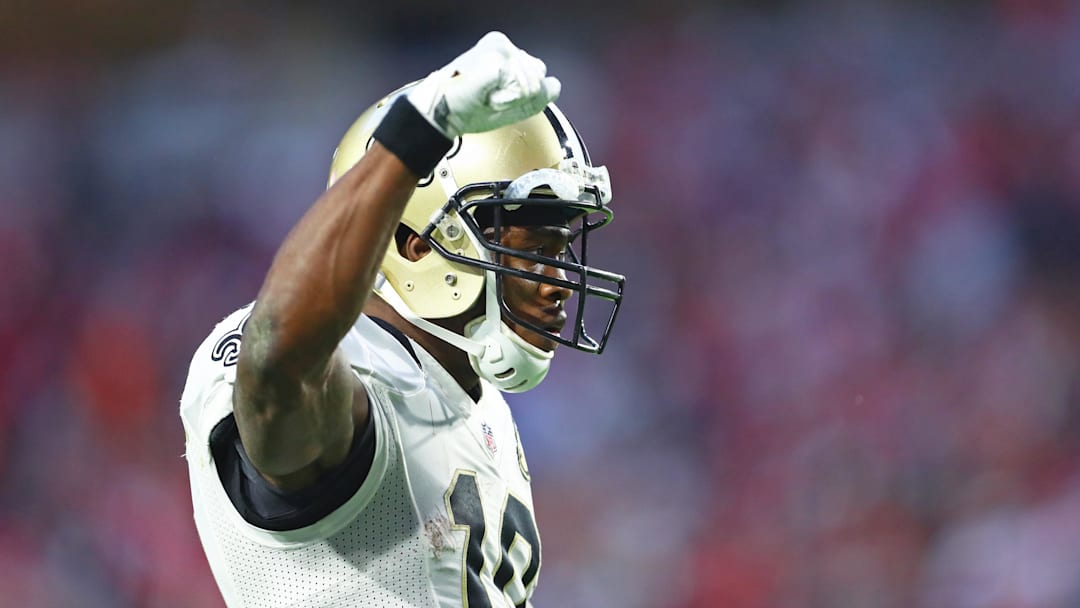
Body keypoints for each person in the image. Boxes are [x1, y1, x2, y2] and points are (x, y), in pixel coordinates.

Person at [179, 31, 625, 607]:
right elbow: (278, 360)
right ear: (416, 243)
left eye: (561, 248)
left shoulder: (476, 404)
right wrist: (417, 132)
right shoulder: (354, 374)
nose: (559, 277)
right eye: (534, 246)